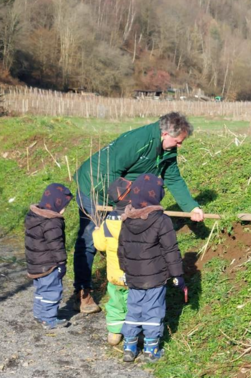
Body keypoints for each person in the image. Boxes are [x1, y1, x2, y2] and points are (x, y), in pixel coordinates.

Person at [72, 112, 204, 313]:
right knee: (90, 240)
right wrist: (125, 204)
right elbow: (111, 172)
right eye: (178, 142)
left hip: (124, 194)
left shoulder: (167, 150)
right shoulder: (138, 141)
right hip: (95, 187)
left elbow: (173, 178)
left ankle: (123, 285)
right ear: (166, 133)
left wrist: (191, 207)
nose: (180, 146)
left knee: (123, 238)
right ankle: (84, 292)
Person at [117, 173, 187, 362]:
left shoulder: (127, 219)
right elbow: (170, 249)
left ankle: (129, 346)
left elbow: (121, 248)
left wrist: (125, 270)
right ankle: (151, 348)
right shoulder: (161, 220)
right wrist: (177, 275)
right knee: (153, 310)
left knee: (133, 309)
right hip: (155, 277)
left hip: (133, 276)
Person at [24, 183, 73, 330]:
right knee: (51, 291)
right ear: (56, 204)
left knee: (41, 290)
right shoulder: (52, 222)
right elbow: (56, 244)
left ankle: (39, 314)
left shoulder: (34, 216)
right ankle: (49, 319)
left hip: (35, 263)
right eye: (64, 205)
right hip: (48, 264)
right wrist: (62, 263)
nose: (64, 209)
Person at [92, 177, 132, 346]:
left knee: (116, 303)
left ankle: (114, 334)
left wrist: (96, 231)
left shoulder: (108, 222)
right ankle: (133, 331)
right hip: (134, 274)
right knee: (133, 303)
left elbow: (99, 245)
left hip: (114, 275)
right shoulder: (135, 221)